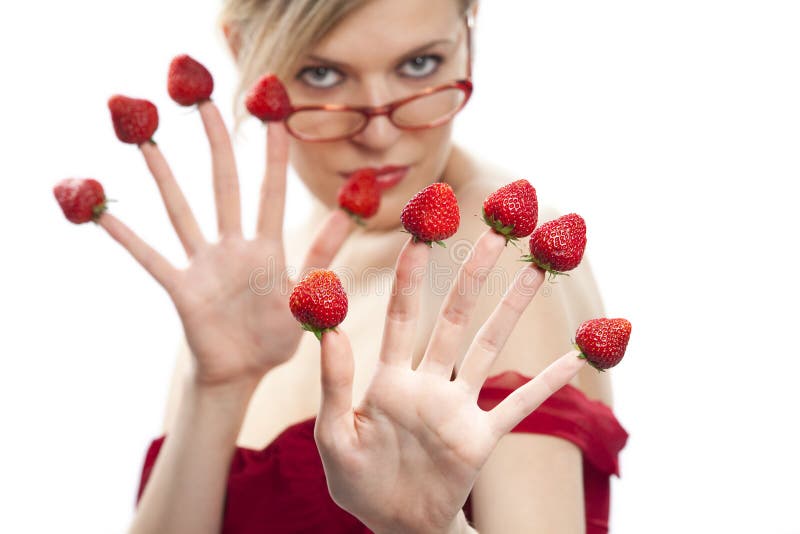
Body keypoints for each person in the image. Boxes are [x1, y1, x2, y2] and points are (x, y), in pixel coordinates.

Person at [96, 0, 627, 532]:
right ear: (242, 51)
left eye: (419, 64)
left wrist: (425, 527)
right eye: (322, 75)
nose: (378, 134)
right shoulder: (253, 283)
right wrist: (216, 389)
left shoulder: (507, 266)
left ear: (469, 29)